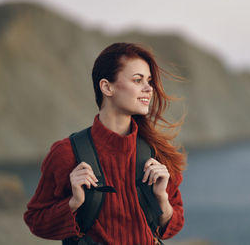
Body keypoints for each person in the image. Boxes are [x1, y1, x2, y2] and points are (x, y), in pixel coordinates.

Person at [24, 43, 186, 245]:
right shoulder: (66, 153)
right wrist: (74, 203)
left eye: (149, 81)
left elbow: (173, 224)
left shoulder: (156, 153)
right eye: (138, 80)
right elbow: (35, 221)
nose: (149, 89)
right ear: (107, 87)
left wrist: (161, 198)